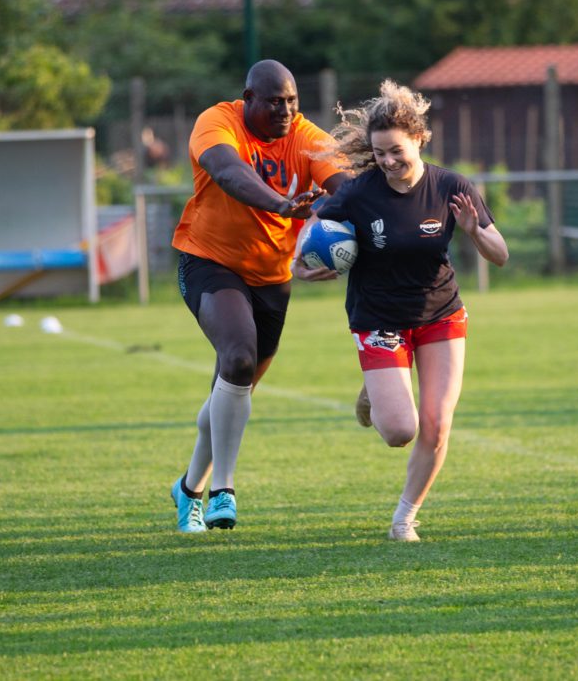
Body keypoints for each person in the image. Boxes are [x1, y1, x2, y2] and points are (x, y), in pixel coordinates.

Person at [295, 79, 508, 542]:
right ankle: (376, 389)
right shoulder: (358, 193)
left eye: (396, 151)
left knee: (435, 423)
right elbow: (312, 232)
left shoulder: (451, 185)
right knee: (399, 431)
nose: (388, 161)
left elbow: (501, 254)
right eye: (380, 153)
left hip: (441, 315)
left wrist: (474, 231)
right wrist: (303, 265)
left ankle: (404, 519)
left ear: (418, 139)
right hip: (378, 318)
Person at [168, 60, 349, 533]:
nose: (285, 110)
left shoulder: (308, 136)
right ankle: (222, 490)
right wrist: (283, 205)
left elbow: (344, 188)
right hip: (210, 261)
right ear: (247, 98)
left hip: (273, 278)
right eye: (273, 101)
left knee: (232, 389)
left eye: (291, 101)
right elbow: (228, 172)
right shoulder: (217, 122)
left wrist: (331, 232)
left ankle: (187, 490)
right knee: (239, 358)